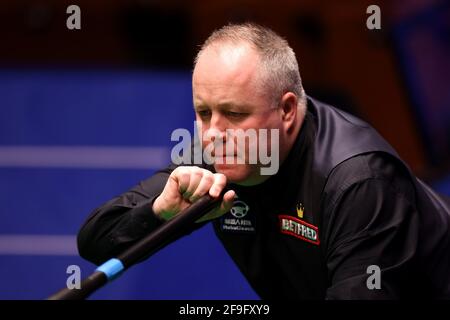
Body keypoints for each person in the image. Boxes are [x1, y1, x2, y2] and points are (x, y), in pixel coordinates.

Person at [77, 23, 450, 299]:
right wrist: (160, 212)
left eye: (234, 114)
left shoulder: (358, 179)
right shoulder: (218, 153)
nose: (212, 134)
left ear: (287, 110)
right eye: (203, 113)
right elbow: (95, 240)